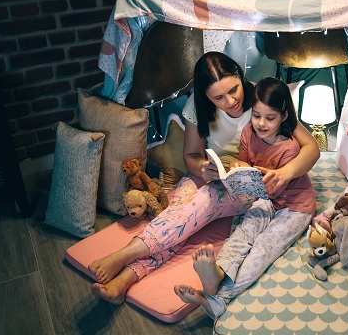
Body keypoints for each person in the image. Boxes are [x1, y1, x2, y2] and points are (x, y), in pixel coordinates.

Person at [89, 52, 320, 304]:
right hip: (211, 173)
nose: (230, 101)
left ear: (240, 77)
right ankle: (126, 279)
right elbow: (191, 155)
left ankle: (125, 254)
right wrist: (201, 168)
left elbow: (312, 148)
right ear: (206, 96)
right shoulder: (197, 106)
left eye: (234, 90)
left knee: (204, 201)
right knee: (180, 214)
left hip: (242, 182)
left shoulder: (261, 100)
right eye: (218, 97)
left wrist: (286, 172)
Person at [174, 77, 316, 319]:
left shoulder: (289, 148)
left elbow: (278, 186)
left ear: (283, 116)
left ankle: (218, 299)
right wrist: (238, 168)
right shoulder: (249, 132)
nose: (261, 123)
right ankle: (218, 272)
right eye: (256, 115)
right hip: (265, 197)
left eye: (269, 118)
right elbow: (246, 163)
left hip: (294, 205)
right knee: (243, 234)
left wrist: (257, 180)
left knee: (262, 248)